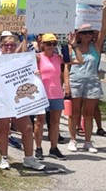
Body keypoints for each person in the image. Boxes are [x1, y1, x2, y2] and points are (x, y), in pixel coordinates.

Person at [0, 34, 45, 171]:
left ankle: (29, 158)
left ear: (16, 46)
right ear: (1, 47)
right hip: (1, 100)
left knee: (27, 128)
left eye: (12, 45)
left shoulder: (23, 60)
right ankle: (4, 158)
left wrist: (36, 75)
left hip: (19, 101)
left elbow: (31, 76)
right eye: (6, 45)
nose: (9, 47)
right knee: (3, 129)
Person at [34, 32, 79, 160]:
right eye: (48, 43)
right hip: (42, 94)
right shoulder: (38, 57)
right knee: (40, 122)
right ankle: (38, 148)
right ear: (43, 44)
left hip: (57, 94)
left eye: (54, 43)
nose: (51, 46)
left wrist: (73, 46)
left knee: (55, 123)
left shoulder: (58, 57)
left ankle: (54, 148)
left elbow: (79, 61)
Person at [67, 16, 106, 153]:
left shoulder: (95, 46)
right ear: (79, 35)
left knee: (88, 113)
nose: (88, 35)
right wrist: (66, 84)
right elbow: (67, 66)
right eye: (84, 33)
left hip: (92, 81)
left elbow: (104, 28)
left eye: (90, 32)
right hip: (75, 81)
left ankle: (88, 142)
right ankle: (73, 140)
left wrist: (104, 11)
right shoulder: (72, 47)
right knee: (74, 113)